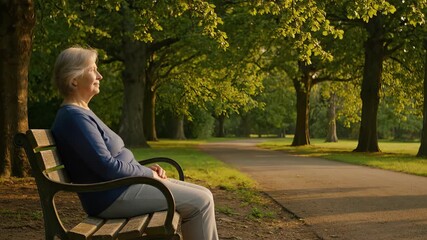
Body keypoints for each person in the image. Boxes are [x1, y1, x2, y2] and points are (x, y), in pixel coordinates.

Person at [51, 46, 219, 240]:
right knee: (201, 202)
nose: (100, 75)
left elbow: (108, 162)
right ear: (74, 80)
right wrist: (147, 174)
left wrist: (144, 169)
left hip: (122, 189)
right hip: (112, 198)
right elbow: (106, 166)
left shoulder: (81, 113)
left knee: (205, 194)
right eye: (92, 69)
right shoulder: (74, 117)